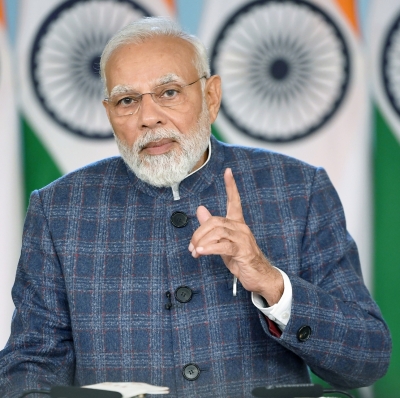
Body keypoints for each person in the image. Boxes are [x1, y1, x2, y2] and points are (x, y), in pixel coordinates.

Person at [0, 17, 391, 398]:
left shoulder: (298, 189)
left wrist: (270, 282)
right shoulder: (60, 209)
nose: (148, 117)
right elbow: (30, 364)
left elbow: (366, 361)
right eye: (127, 100)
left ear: (211, 96)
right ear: (109, 113)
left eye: (169, 92)